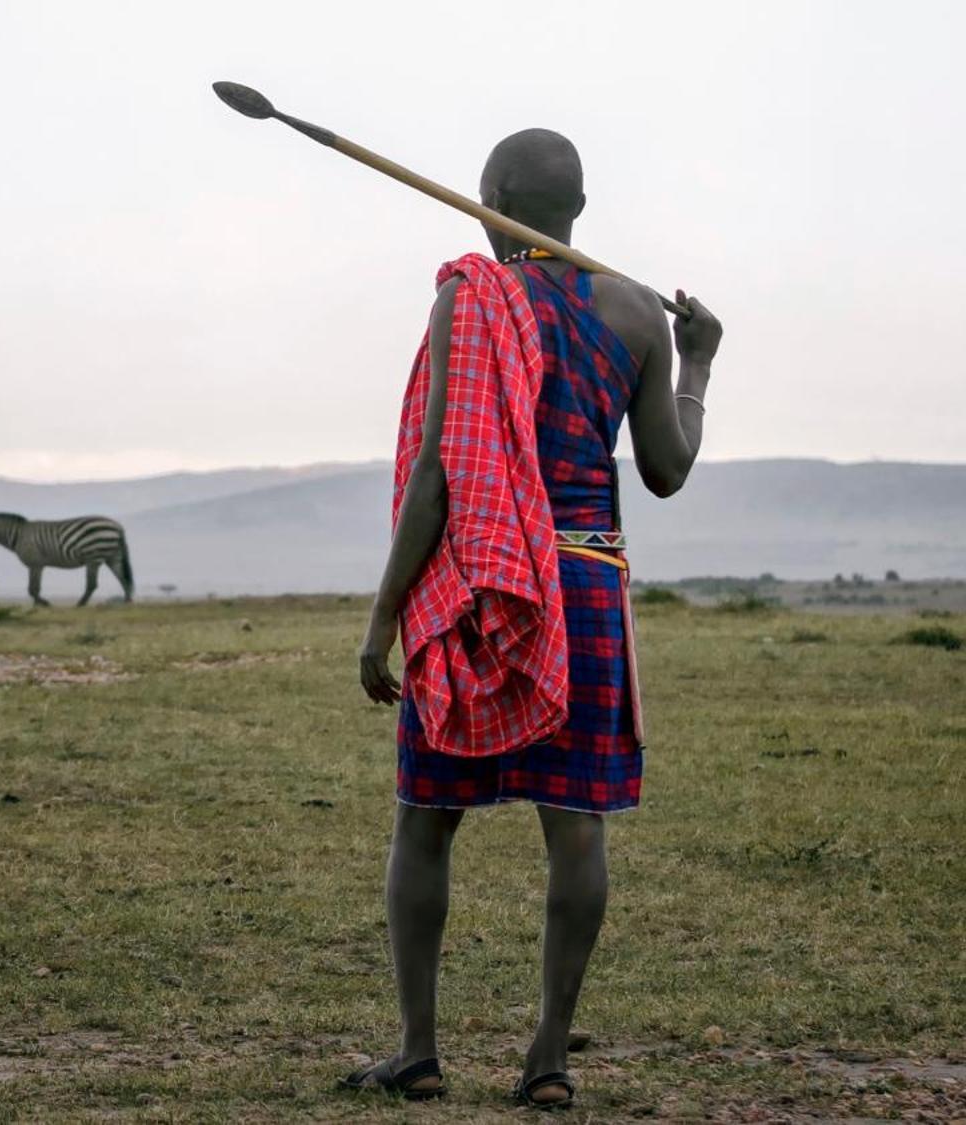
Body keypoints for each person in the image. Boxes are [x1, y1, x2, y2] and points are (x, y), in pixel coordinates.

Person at [342, 129, 724, 1108]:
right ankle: (546, 1061)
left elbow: (437, 474)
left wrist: (381, 619)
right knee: (576, 828)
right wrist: (696, 363)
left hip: (482, 584)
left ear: (494, 195)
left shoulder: (467, 297)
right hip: (584, 581)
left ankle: (416, 1051)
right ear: (576, 209)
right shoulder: (636, 311)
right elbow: (667, 470)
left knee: (423, 820)